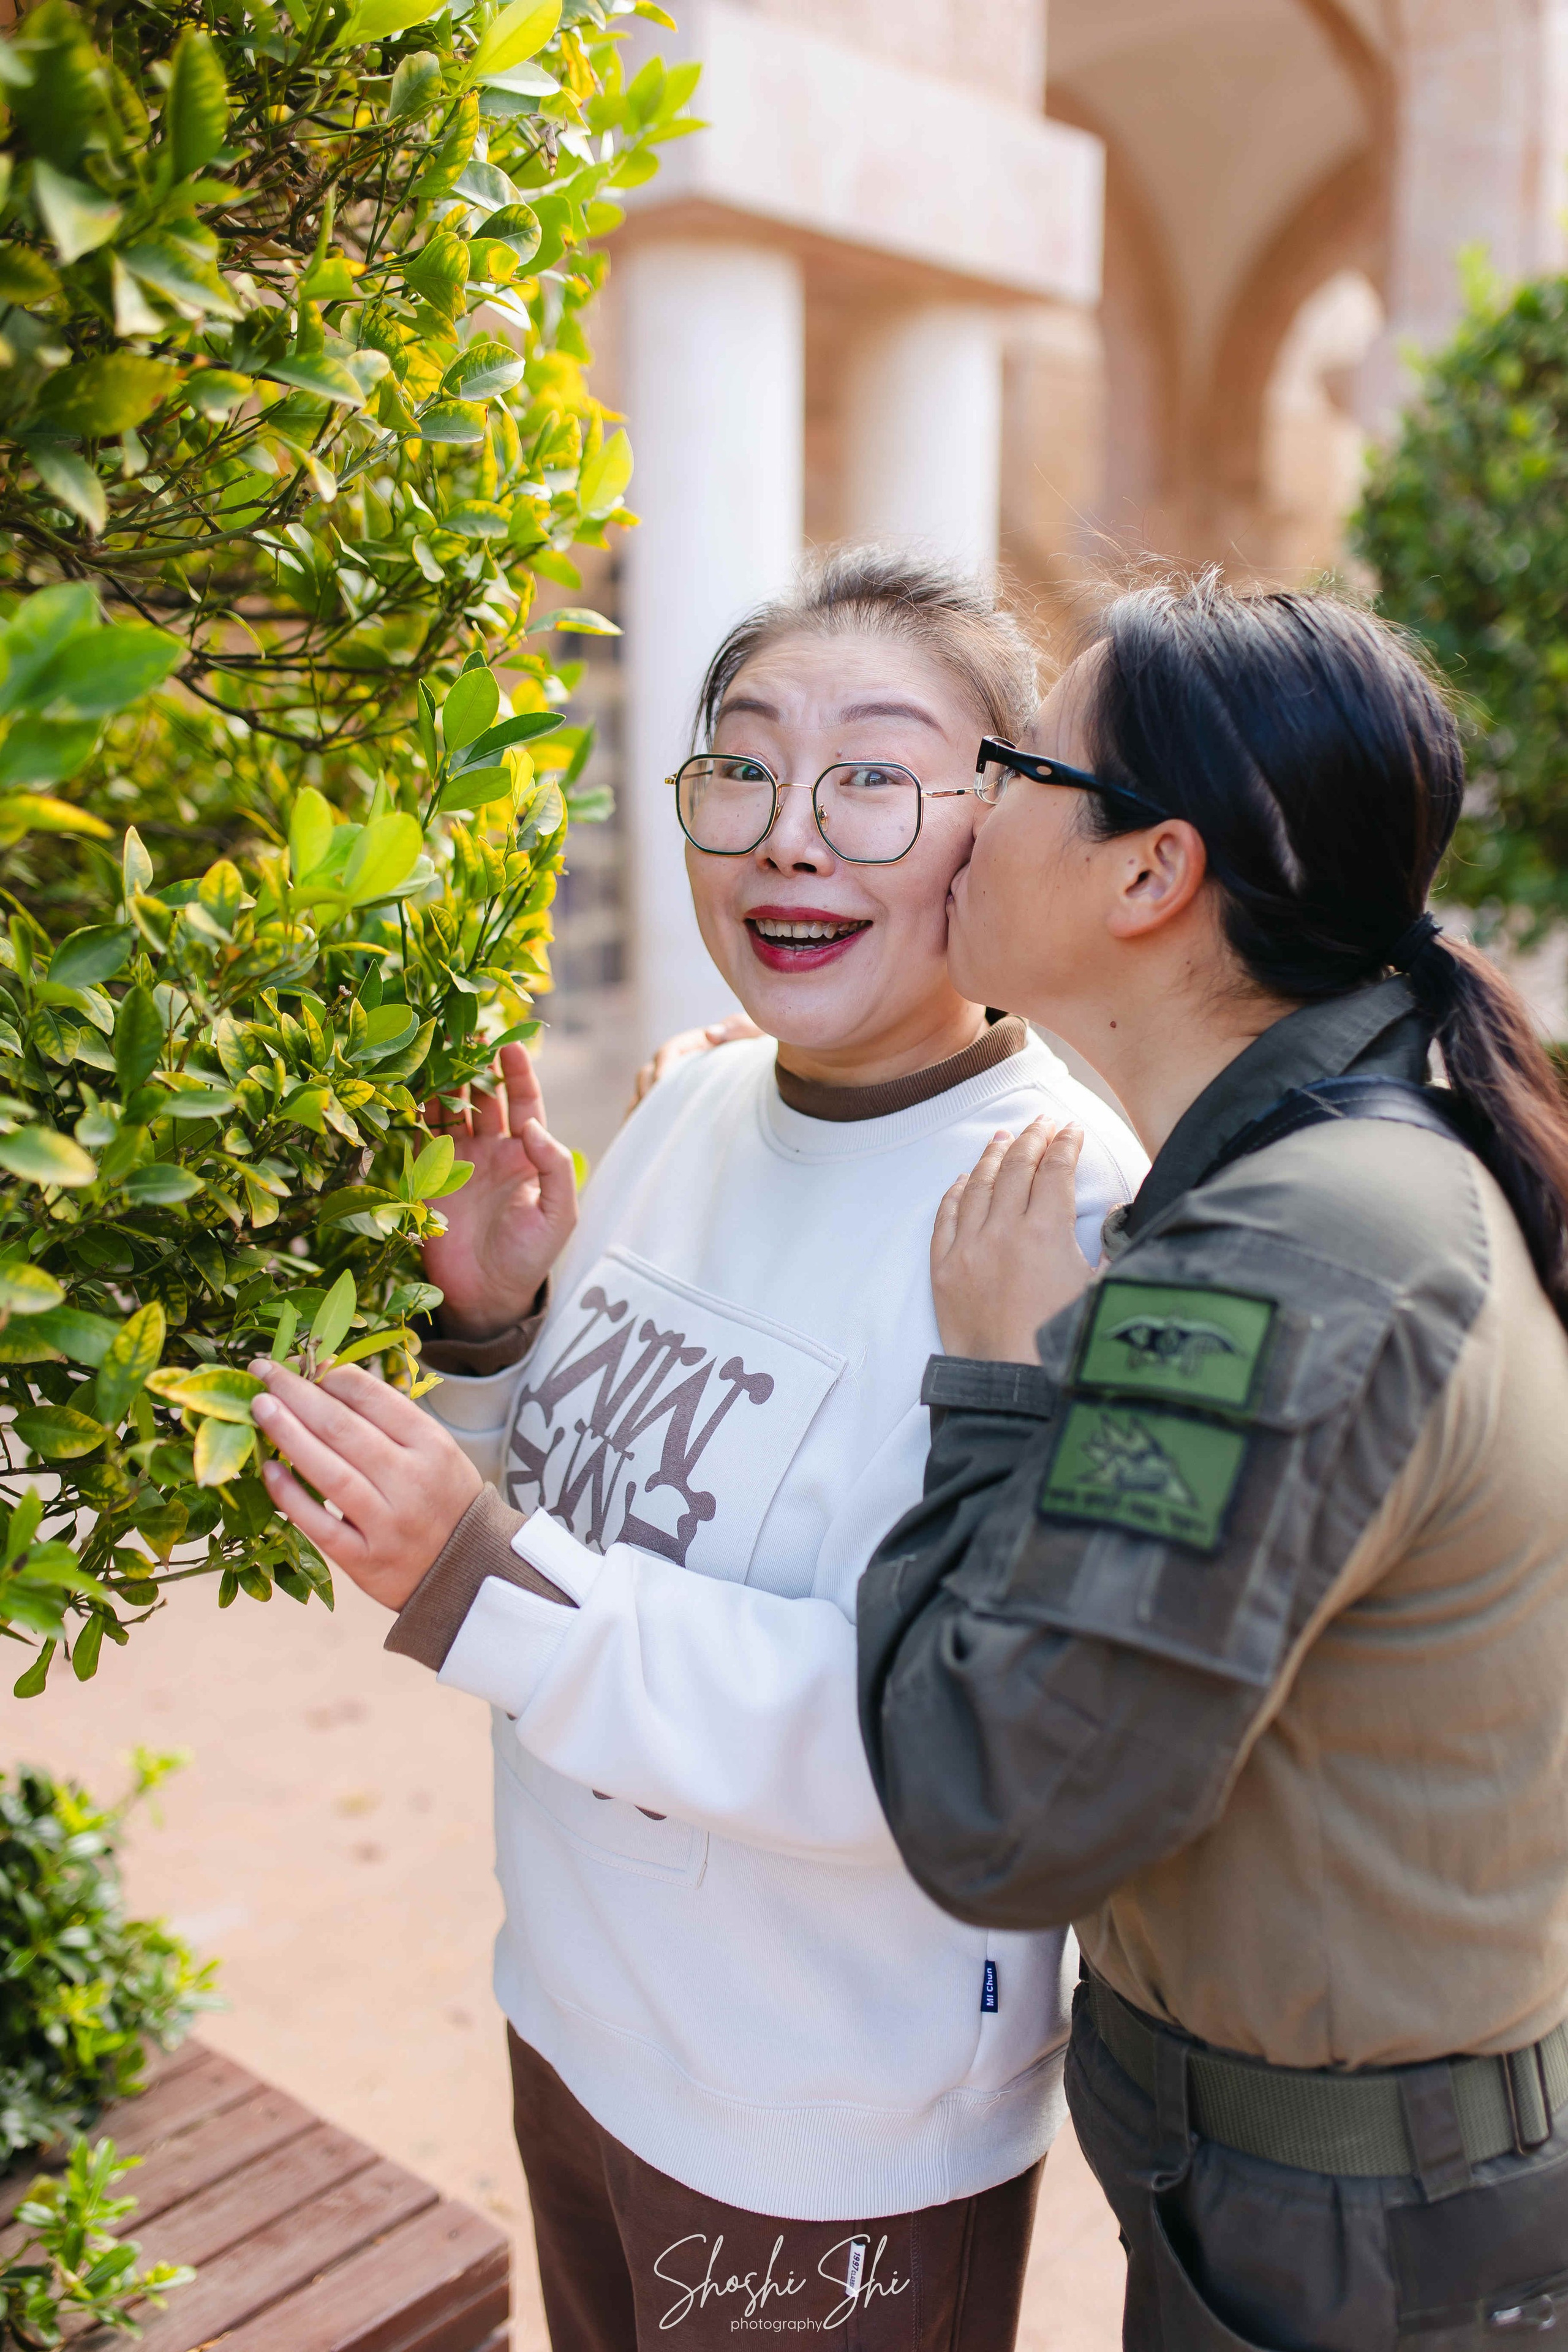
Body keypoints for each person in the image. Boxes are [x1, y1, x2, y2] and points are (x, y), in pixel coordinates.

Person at [244, 551, 1147, 2350]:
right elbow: (579, 1505)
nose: (790, 837)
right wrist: (496, 1331)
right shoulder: (697, 1100)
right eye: (740, 767)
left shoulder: (1062, 1212)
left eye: (876, 776)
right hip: (580, 2015)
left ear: (1004, 825)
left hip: (825, 2123)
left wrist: (471, 1578)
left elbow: (936, 1738)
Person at [854, 575, 1568, 2350]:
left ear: (1151, 873)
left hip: (1360, 2263)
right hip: (1315, 2203)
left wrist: (1003, 1379)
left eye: (1011, 769)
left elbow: (999, 1806)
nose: (960, 814)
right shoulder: (1325, 1162)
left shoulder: (1302, 1248)